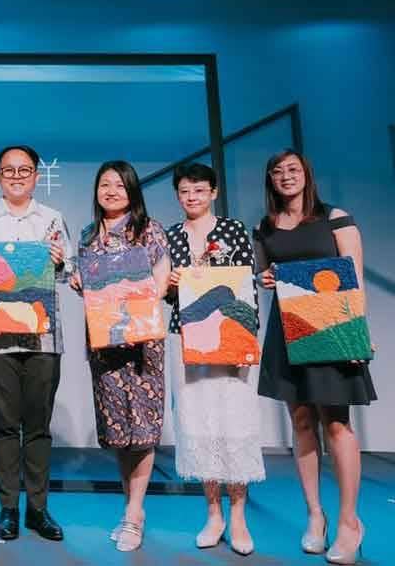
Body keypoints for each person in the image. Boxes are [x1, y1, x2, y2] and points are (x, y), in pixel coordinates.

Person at [254, 150, 375, 564]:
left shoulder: (335, 217)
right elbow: (263, 275)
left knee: (336, 423)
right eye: (277, 171)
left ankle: (349, 522)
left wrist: (356, 336)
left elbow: (353, 280)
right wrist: (264, 278)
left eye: (293, 169)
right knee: (301, 420)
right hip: (286, 331)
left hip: (330, 328)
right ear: (270, 180)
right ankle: (315, 517)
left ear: (306, 173)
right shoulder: (265, 227)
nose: (286, 176)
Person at [0, 144, 75, 542]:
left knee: (39, 427)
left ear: (36, 176)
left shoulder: (52, 219)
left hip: (43, 339)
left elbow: (69, 273)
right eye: (8, 170)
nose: (16, 176)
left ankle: (38, 510)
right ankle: (8, 508)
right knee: (6, 426)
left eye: (24, 170)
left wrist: (61, 262)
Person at [70, 160, 170, 553]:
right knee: (118, 429)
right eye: (104, 184)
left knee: (142, 426)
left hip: (142, 341)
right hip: (103, 342)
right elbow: (87, 284)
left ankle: (135, 511)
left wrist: (129, 304)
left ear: (132, 190)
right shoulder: (87, 236)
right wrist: (81, 281)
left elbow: (161, 282)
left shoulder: (150, 230)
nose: (111, 191)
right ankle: (129, 508)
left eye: (119, 185)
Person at [165, 163, 264, 556]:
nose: (192, 197)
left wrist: (247, 337)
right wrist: (169, 284)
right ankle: (212, 513)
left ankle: (238, 514)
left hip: (230, 335)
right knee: (198, 418)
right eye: (185, 191)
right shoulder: (170, 236)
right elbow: (161, 294)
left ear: (214, 192)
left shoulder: (234, 229)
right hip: (185, 336)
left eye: (199, 190)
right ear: (178, 195)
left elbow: (248, 282)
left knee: (233, 418)